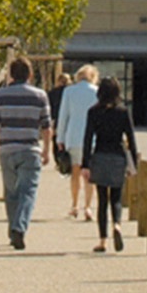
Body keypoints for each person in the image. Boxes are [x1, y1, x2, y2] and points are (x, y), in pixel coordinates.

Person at [0, 57, 54, 250]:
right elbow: (46, 126)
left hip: (6, 149)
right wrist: (46, 150)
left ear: (11, 74)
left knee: (11, 192)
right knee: (28, 191)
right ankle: (19, 227)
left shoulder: (0, 95)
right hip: (30, 149)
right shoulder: (40, 95)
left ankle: (13, 227)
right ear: (30, 74)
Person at [80, 76, 139, 252]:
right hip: (117, 157)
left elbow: (87, 139)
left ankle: (103, 240)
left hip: (100, 156)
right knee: (116, 197)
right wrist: (133, 165)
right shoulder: (123, 111)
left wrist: (85, 164)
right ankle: (117, 225)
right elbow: (131, 139)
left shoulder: (93, 112)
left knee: (102, 200)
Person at [55, 64, 100, 219]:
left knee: (75, 171)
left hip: (73, 136)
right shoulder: (96, 91)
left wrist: (60, 138)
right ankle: (87, 207)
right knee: (88, 173)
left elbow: (63, 116)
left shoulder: (69, 91)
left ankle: (74, 205)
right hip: (91, 138)